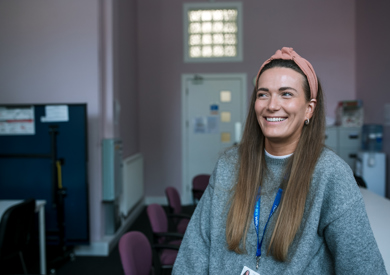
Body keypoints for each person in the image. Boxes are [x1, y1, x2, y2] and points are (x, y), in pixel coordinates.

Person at [172, 47, 387, 274]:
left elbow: (364, 267)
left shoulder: (330, 174)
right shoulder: (229, 165)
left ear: (309, 110)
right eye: (263, 94)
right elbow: (192, 254)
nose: (272, 105)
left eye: (286, 94)